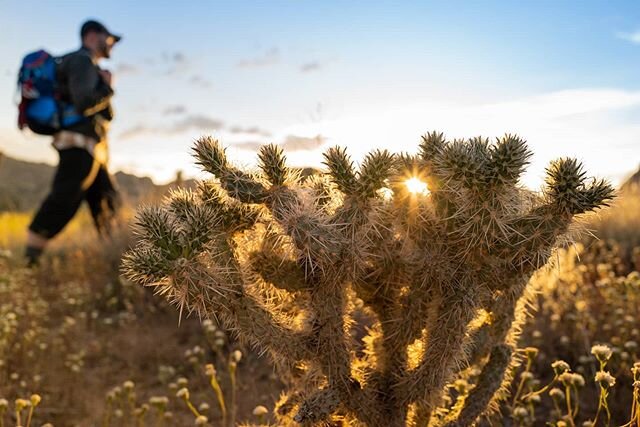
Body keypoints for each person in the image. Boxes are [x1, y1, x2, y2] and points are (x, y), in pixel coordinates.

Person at [25, 20, 122, 265]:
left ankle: (119, 262)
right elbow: (84, 102)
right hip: (77, 145)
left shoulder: (90, 67)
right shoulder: (81, 61)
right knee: (63, 200)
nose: (112, 44)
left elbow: (105, 114)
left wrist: (104, 88)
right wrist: (108, 89)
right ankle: (29, 262)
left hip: (92, 150)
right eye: (109, 38)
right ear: (92, 36)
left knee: (108, 203)